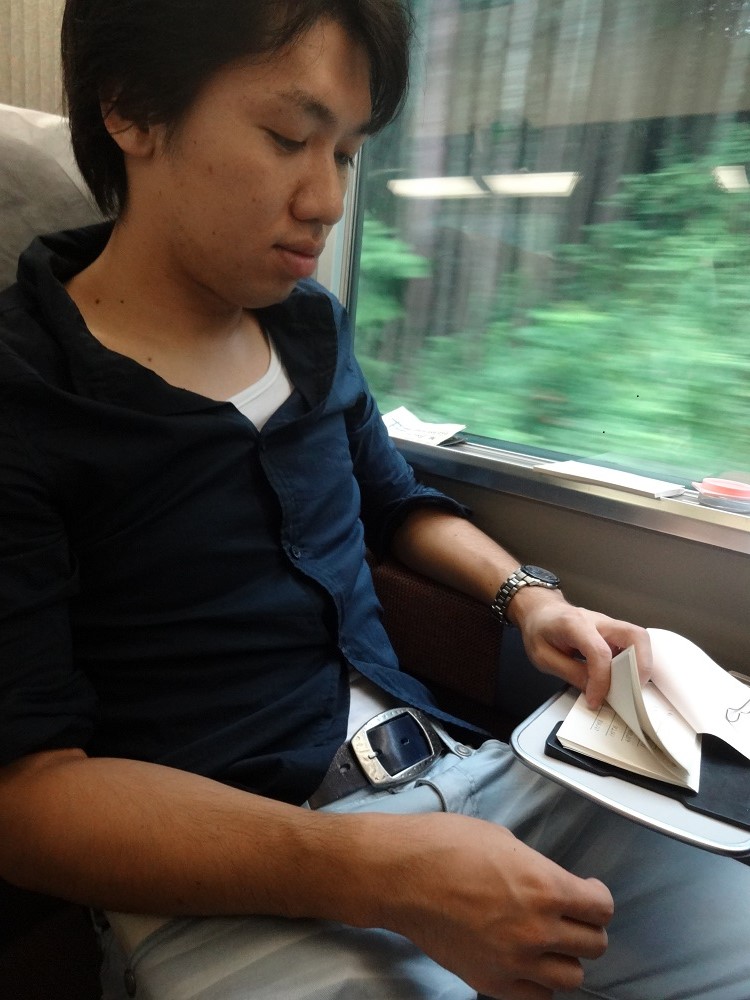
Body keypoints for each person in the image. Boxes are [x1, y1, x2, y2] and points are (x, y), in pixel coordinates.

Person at [0, 2, 748, 998]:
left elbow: (396, 503)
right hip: (229, 875)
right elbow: (28, 800)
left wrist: (531, 600)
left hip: (470, 776)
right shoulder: (24, 393)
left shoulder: (308, 328)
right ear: (131, 109)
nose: (327, 201)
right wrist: (380, 873)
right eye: (287, 137)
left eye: (349, 153)